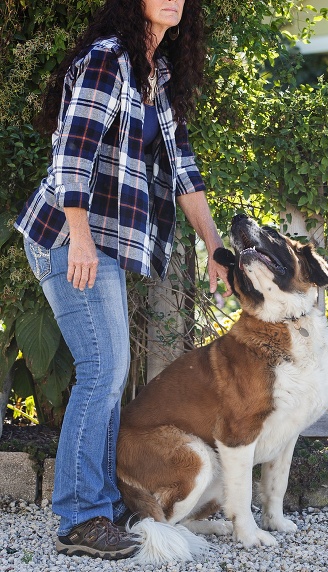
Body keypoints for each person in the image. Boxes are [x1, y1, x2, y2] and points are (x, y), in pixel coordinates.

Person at [15, 0, 231, 559]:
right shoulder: (108, 59)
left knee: (108, 372)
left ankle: (102, 506)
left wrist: (215, 246)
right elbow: (73, 151)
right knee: (103, 369)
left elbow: (184, 169)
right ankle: (79, 517)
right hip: (67, 235)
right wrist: (79, 236)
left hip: (99, 241)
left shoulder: (157, 74)